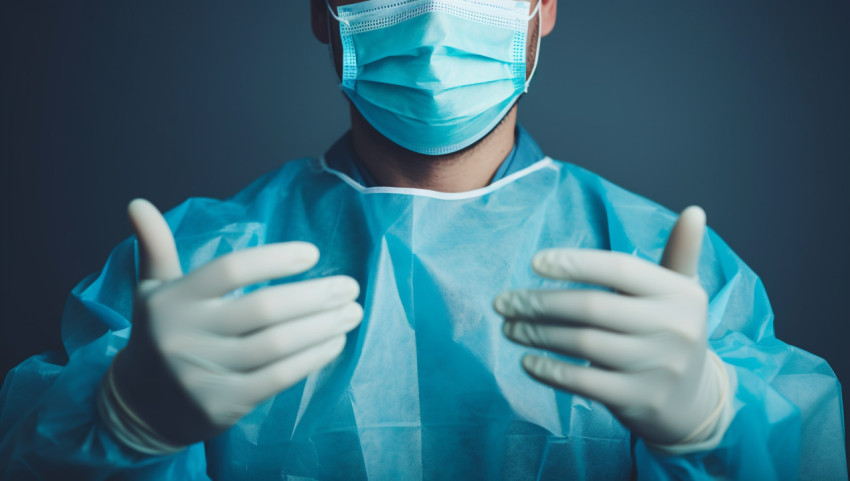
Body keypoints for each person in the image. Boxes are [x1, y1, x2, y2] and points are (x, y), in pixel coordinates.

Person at [0, 0, 845, 478]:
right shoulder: (190, 276)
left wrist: (720, 421)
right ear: (323, 12)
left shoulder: (669, 279)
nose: (438, 14)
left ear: (545, 7)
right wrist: (120, 423)